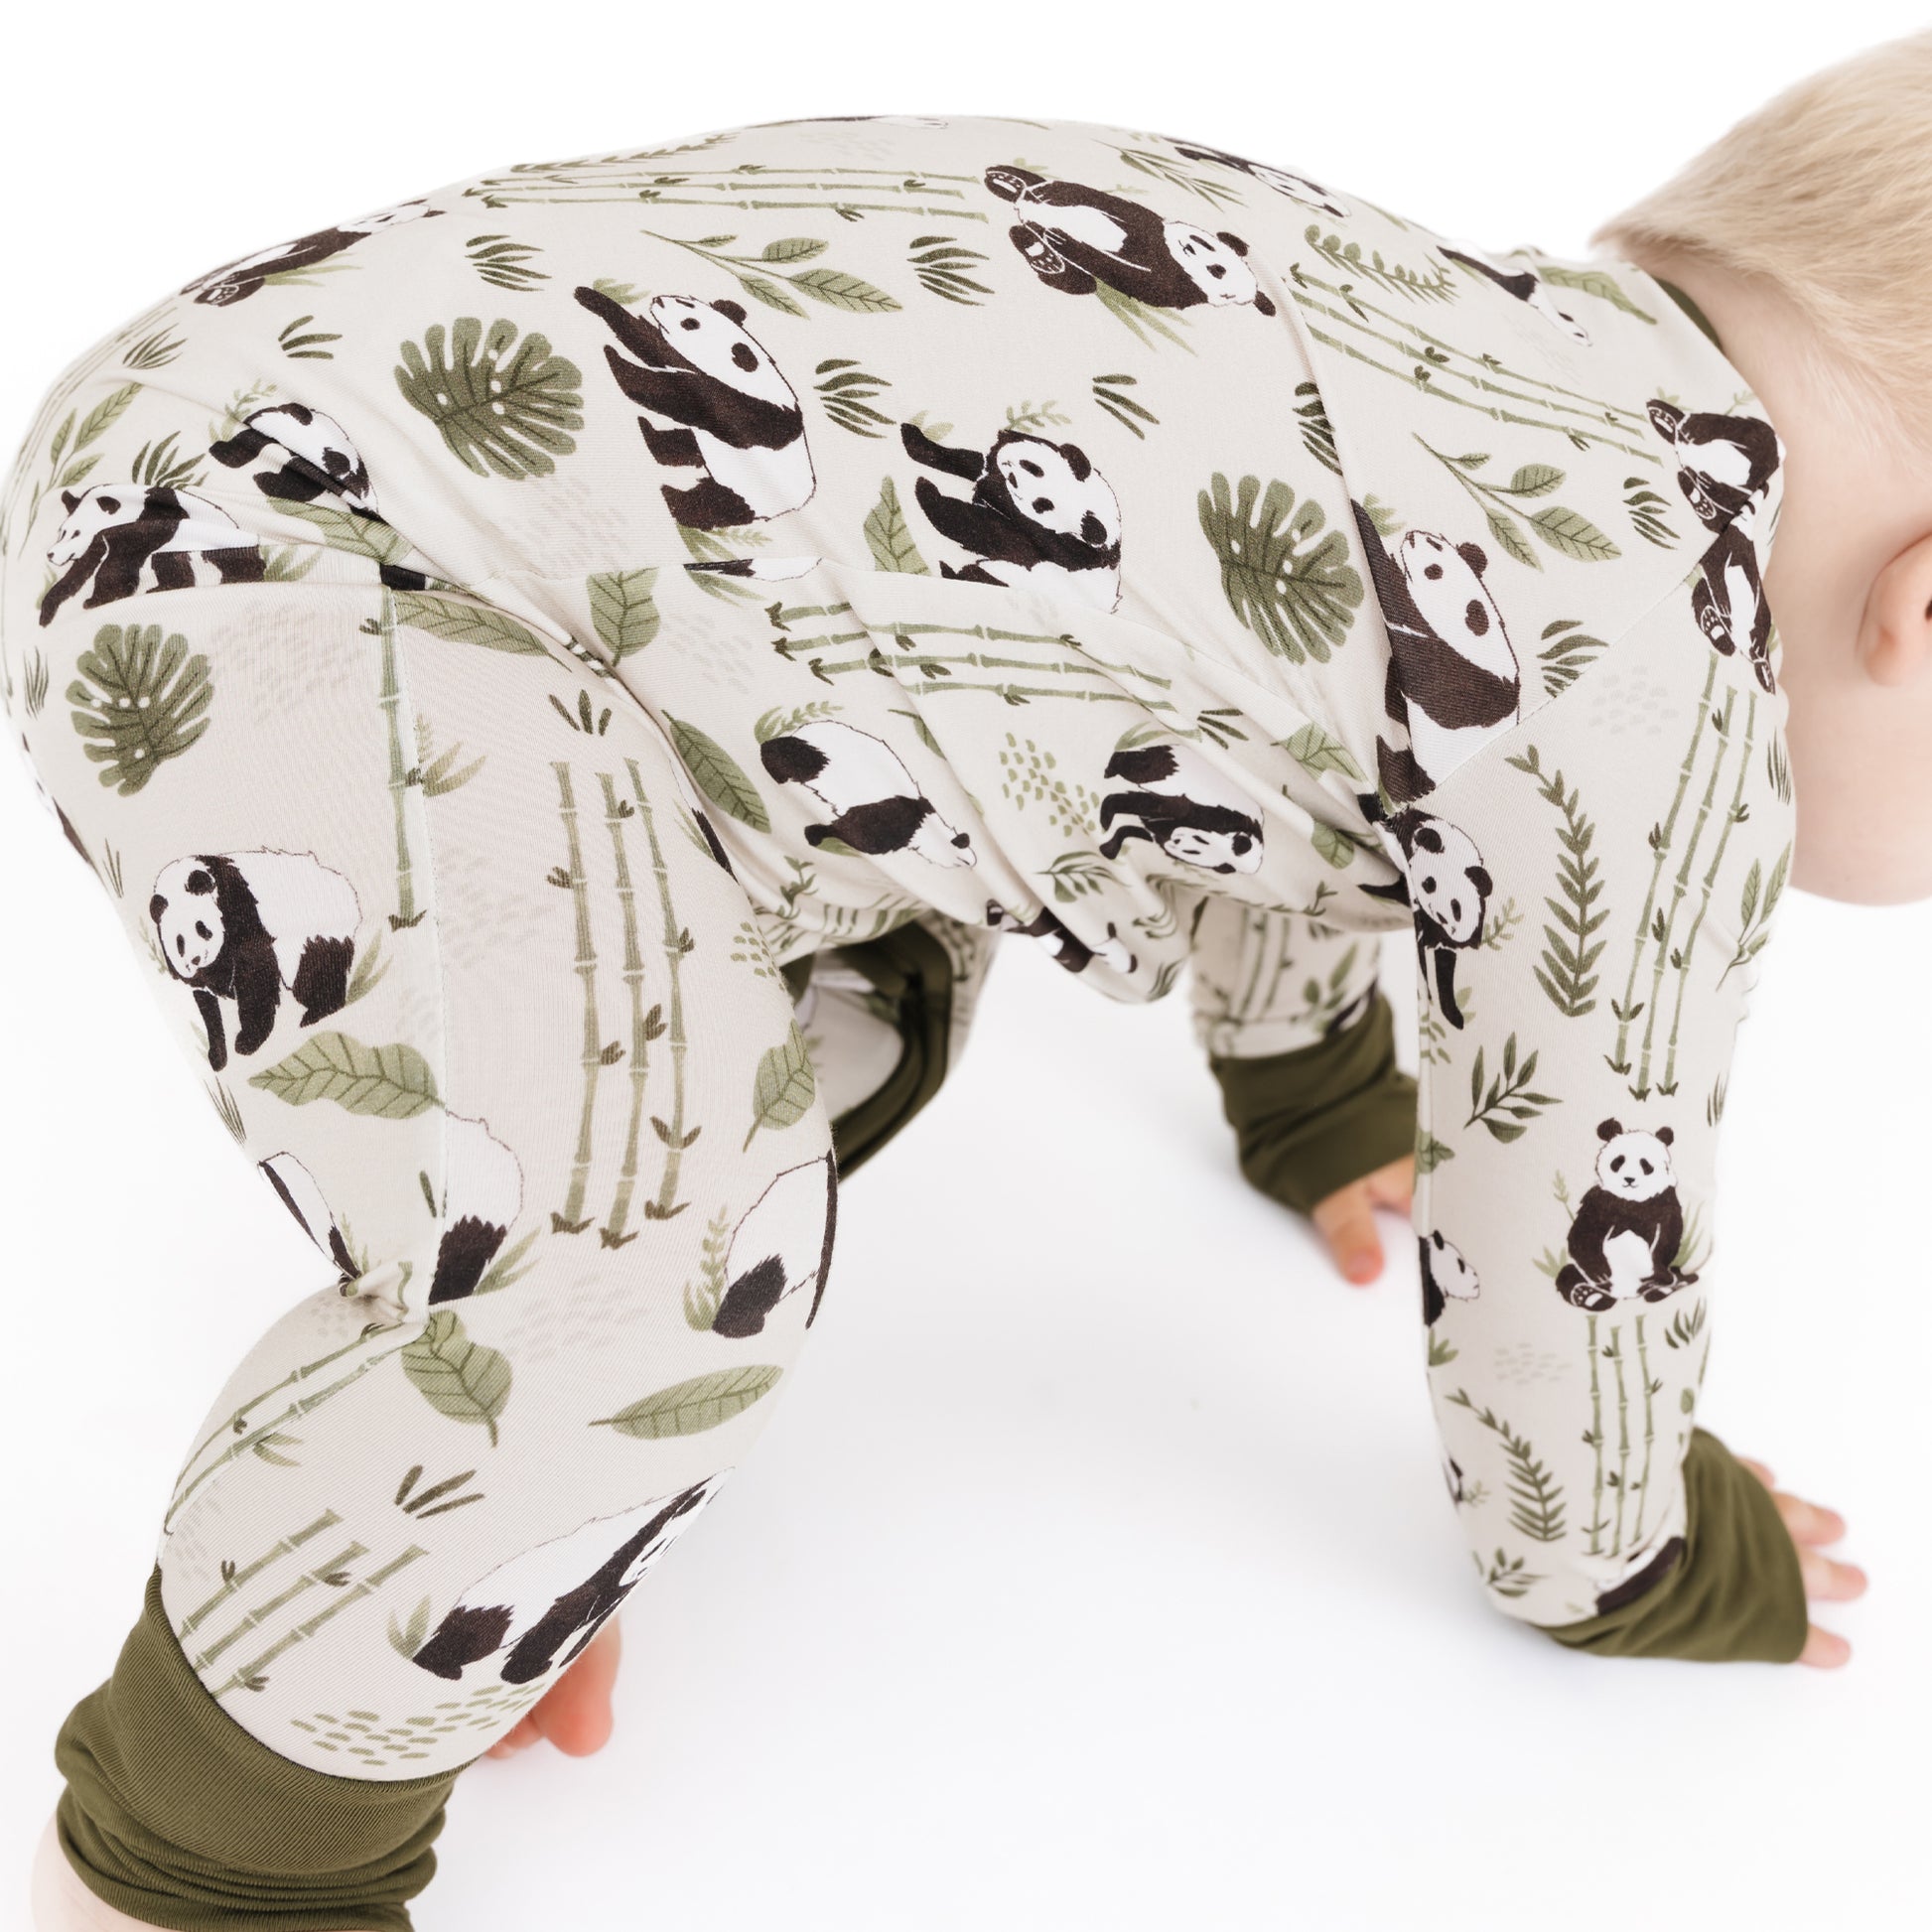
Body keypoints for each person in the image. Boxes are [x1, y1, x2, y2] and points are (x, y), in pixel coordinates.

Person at [10, 30, 1919, 1925]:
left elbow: (1308, 746)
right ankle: (211, 1865)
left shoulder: (1471, 361)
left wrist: (1313, 1092)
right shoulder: (1668, 704)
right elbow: (1578, 1221)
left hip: (278, 407)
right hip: (313, 569)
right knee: (637, 1279)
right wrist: (1639, 1549)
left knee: (888, 943)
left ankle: (455, 1576)